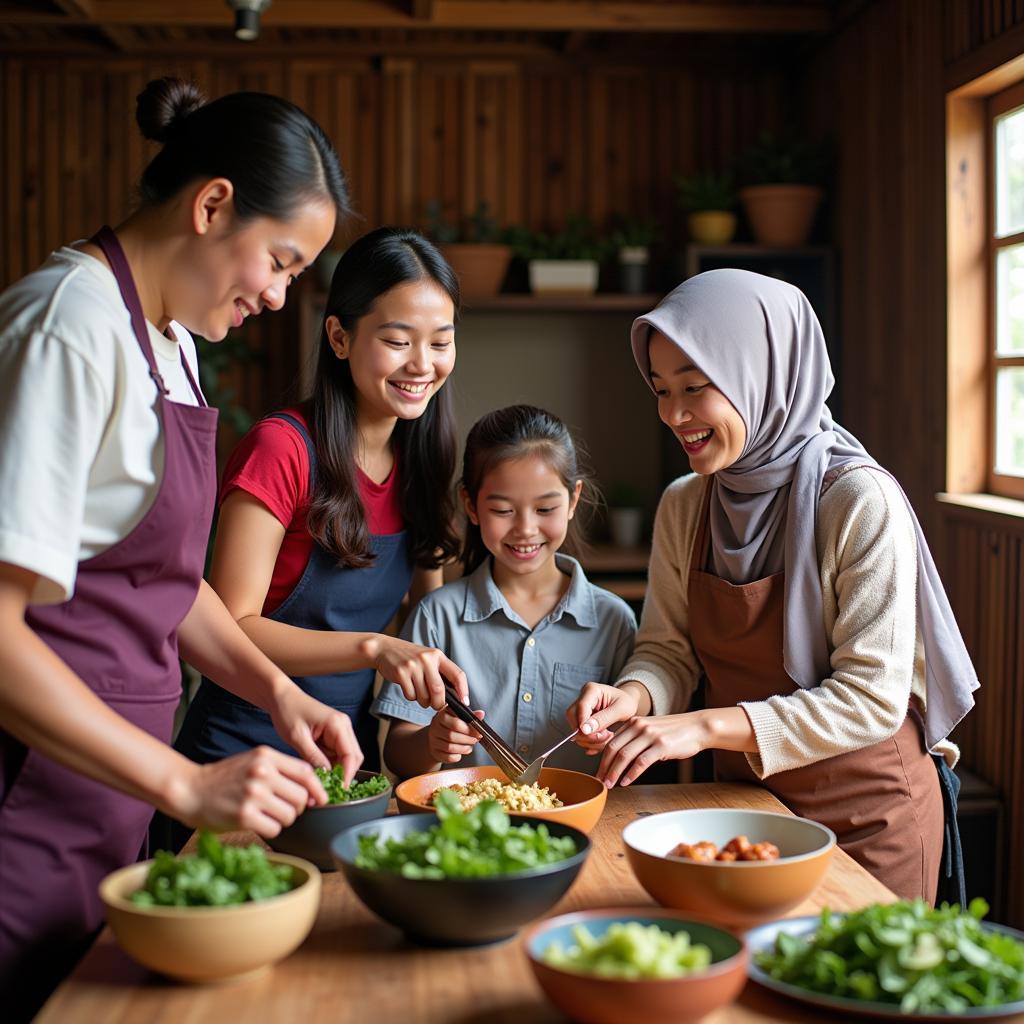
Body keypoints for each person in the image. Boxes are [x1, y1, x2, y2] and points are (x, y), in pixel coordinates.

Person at [0, 77, 363, 1017]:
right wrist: (189, 784)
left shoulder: (173, 341)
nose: (280, 298)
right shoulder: (67, 326)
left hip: (105, 803)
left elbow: (164, 583)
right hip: (27, 806)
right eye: (280, 263)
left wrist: (279, 693)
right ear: (211, 206)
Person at [570, 269, 978, 903]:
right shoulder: (686, 505)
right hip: (749, 810)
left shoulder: (858, 501)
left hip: (872, 820)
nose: (674, 414)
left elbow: (871, 700)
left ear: (760, 376)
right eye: (660, 389)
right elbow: (669, 650)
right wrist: (636, 696)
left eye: (696, 388)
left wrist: (703, 728)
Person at [172, 227, 469, 790]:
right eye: (399, 340)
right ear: (338, 337)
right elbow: (231, 625)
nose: (423, 364)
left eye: (441, 341)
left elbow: (425, 616)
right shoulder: (281, 448)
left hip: (348, 765)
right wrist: (374, 648)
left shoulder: (423, 455)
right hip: (238, 759)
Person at [374, 405, 636, 778]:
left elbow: (628, 741)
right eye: (503, 510)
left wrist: (608, 738)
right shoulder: (437, 617)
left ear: (573, 500)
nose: (526, 529)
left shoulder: (614, 621)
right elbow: (397, 754)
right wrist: (431, 742)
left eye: (545, 508)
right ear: (471, 505)